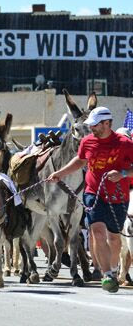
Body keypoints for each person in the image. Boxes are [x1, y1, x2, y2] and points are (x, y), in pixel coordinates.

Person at [47, 107, 133, 293]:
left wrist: (123, 173)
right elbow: (80, 161)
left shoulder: (125, 144)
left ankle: (115, 268)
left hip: (118, 196)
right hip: (94, 193)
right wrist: (60, 173)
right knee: (98, 232)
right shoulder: (87, 142)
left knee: (114, 237)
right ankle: (108, 275)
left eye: (95, 125)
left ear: (107, 123)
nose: (91, 128)